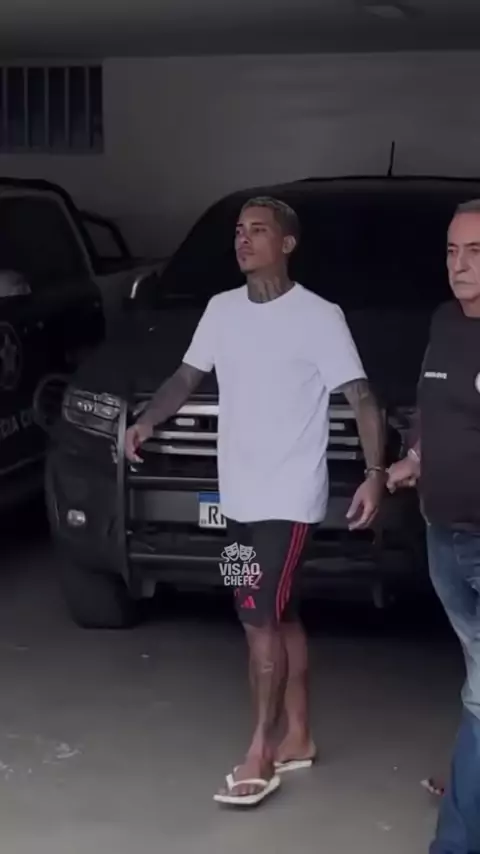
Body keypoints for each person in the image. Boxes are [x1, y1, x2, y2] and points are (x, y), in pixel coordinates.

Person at [125, 196, 386, 806]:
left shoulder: (319, 316)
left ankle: (260, 752)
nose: (243, 240)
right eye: (239, 231)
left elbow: (363, 397)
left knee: (257, 618)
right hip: (238, 499)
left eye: (258, 230)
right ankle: (299, 736)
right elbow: (185, 377)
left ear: (287, 244)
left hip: (287, 500)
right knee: (280, 614)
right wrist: (148, 420)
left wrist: (375, 473)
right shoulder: (221, 310)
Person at [387, 199, 480, 854]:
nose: (459, 265)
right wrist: (415, 458)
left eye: (475, 252)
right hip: (442, 536)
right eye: (452, 251)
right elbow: (431, 409)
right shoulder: (444, 323)